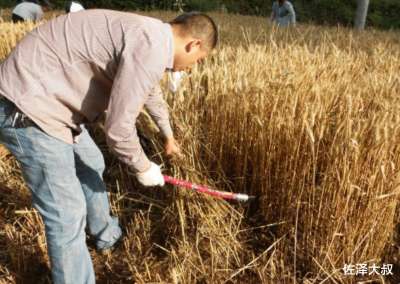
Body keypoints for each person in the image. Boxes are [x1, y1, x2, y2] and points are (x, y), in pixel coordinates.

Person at [0, 9, 217, 284]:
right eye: (199, 60)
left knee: (93, 160)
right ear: (194, 44)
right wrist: (143, 166)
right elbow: (118, 130)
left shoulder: (152, 35)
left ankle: (107, 236)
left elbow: (149, 91)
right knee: (66, 215)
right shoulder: (151, 46)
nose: (193, 67)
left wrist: (168, 135)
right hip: (29, 107)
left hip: (52, 101)